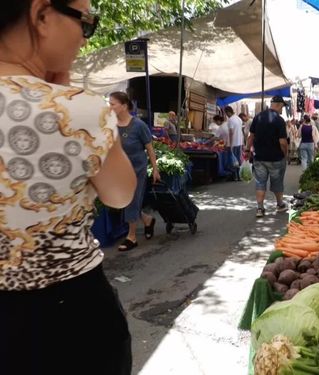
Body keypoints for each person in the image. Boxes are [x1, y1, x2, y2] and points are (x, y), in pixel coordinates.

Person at [0, 1, 137, 374]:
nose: (83, 37)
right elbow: (120, 194)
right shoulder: (78, 109)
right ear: (42, 15)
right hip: (70, 318)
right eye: (86, 22)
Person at [109, 92, 161, 252]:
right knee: (123, 200)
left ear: (124, 106)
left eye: (113, 104)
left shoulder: (139, 125)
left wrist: (155, 169)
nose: (109, 107)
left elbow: (150, 149)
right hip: (120, 169)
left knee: (131, 200)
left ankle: (131, 237)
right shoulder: (111, 125)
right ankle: (147, 220)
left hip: (137, 169)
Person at [245, 96, 289, 218]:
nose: (282, 110)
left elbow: (251, 136)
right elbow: (283, 142)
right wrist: (285, 154)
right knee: (277, 182)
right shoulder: (279, 120)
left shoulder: (257, 117)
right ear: (279, 105)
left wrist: (247, 149)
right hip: (276, 158)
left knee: (260, 182)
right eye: (282, 107)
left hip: (259, 157)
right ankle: (280, 205)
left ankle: (260, 208)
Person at [224, 106, 243, 181]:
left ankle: (234, 176)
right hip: (239, 142)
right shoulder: (239, 119)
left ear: (228, 112)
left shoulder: (230, 120)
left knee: (233, 161)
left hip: (234, 143)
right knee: (238, 160)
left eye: (226, 113)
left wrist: (231, 145)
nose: (226, 115)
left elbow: (231, 133)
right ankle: (239, 176)